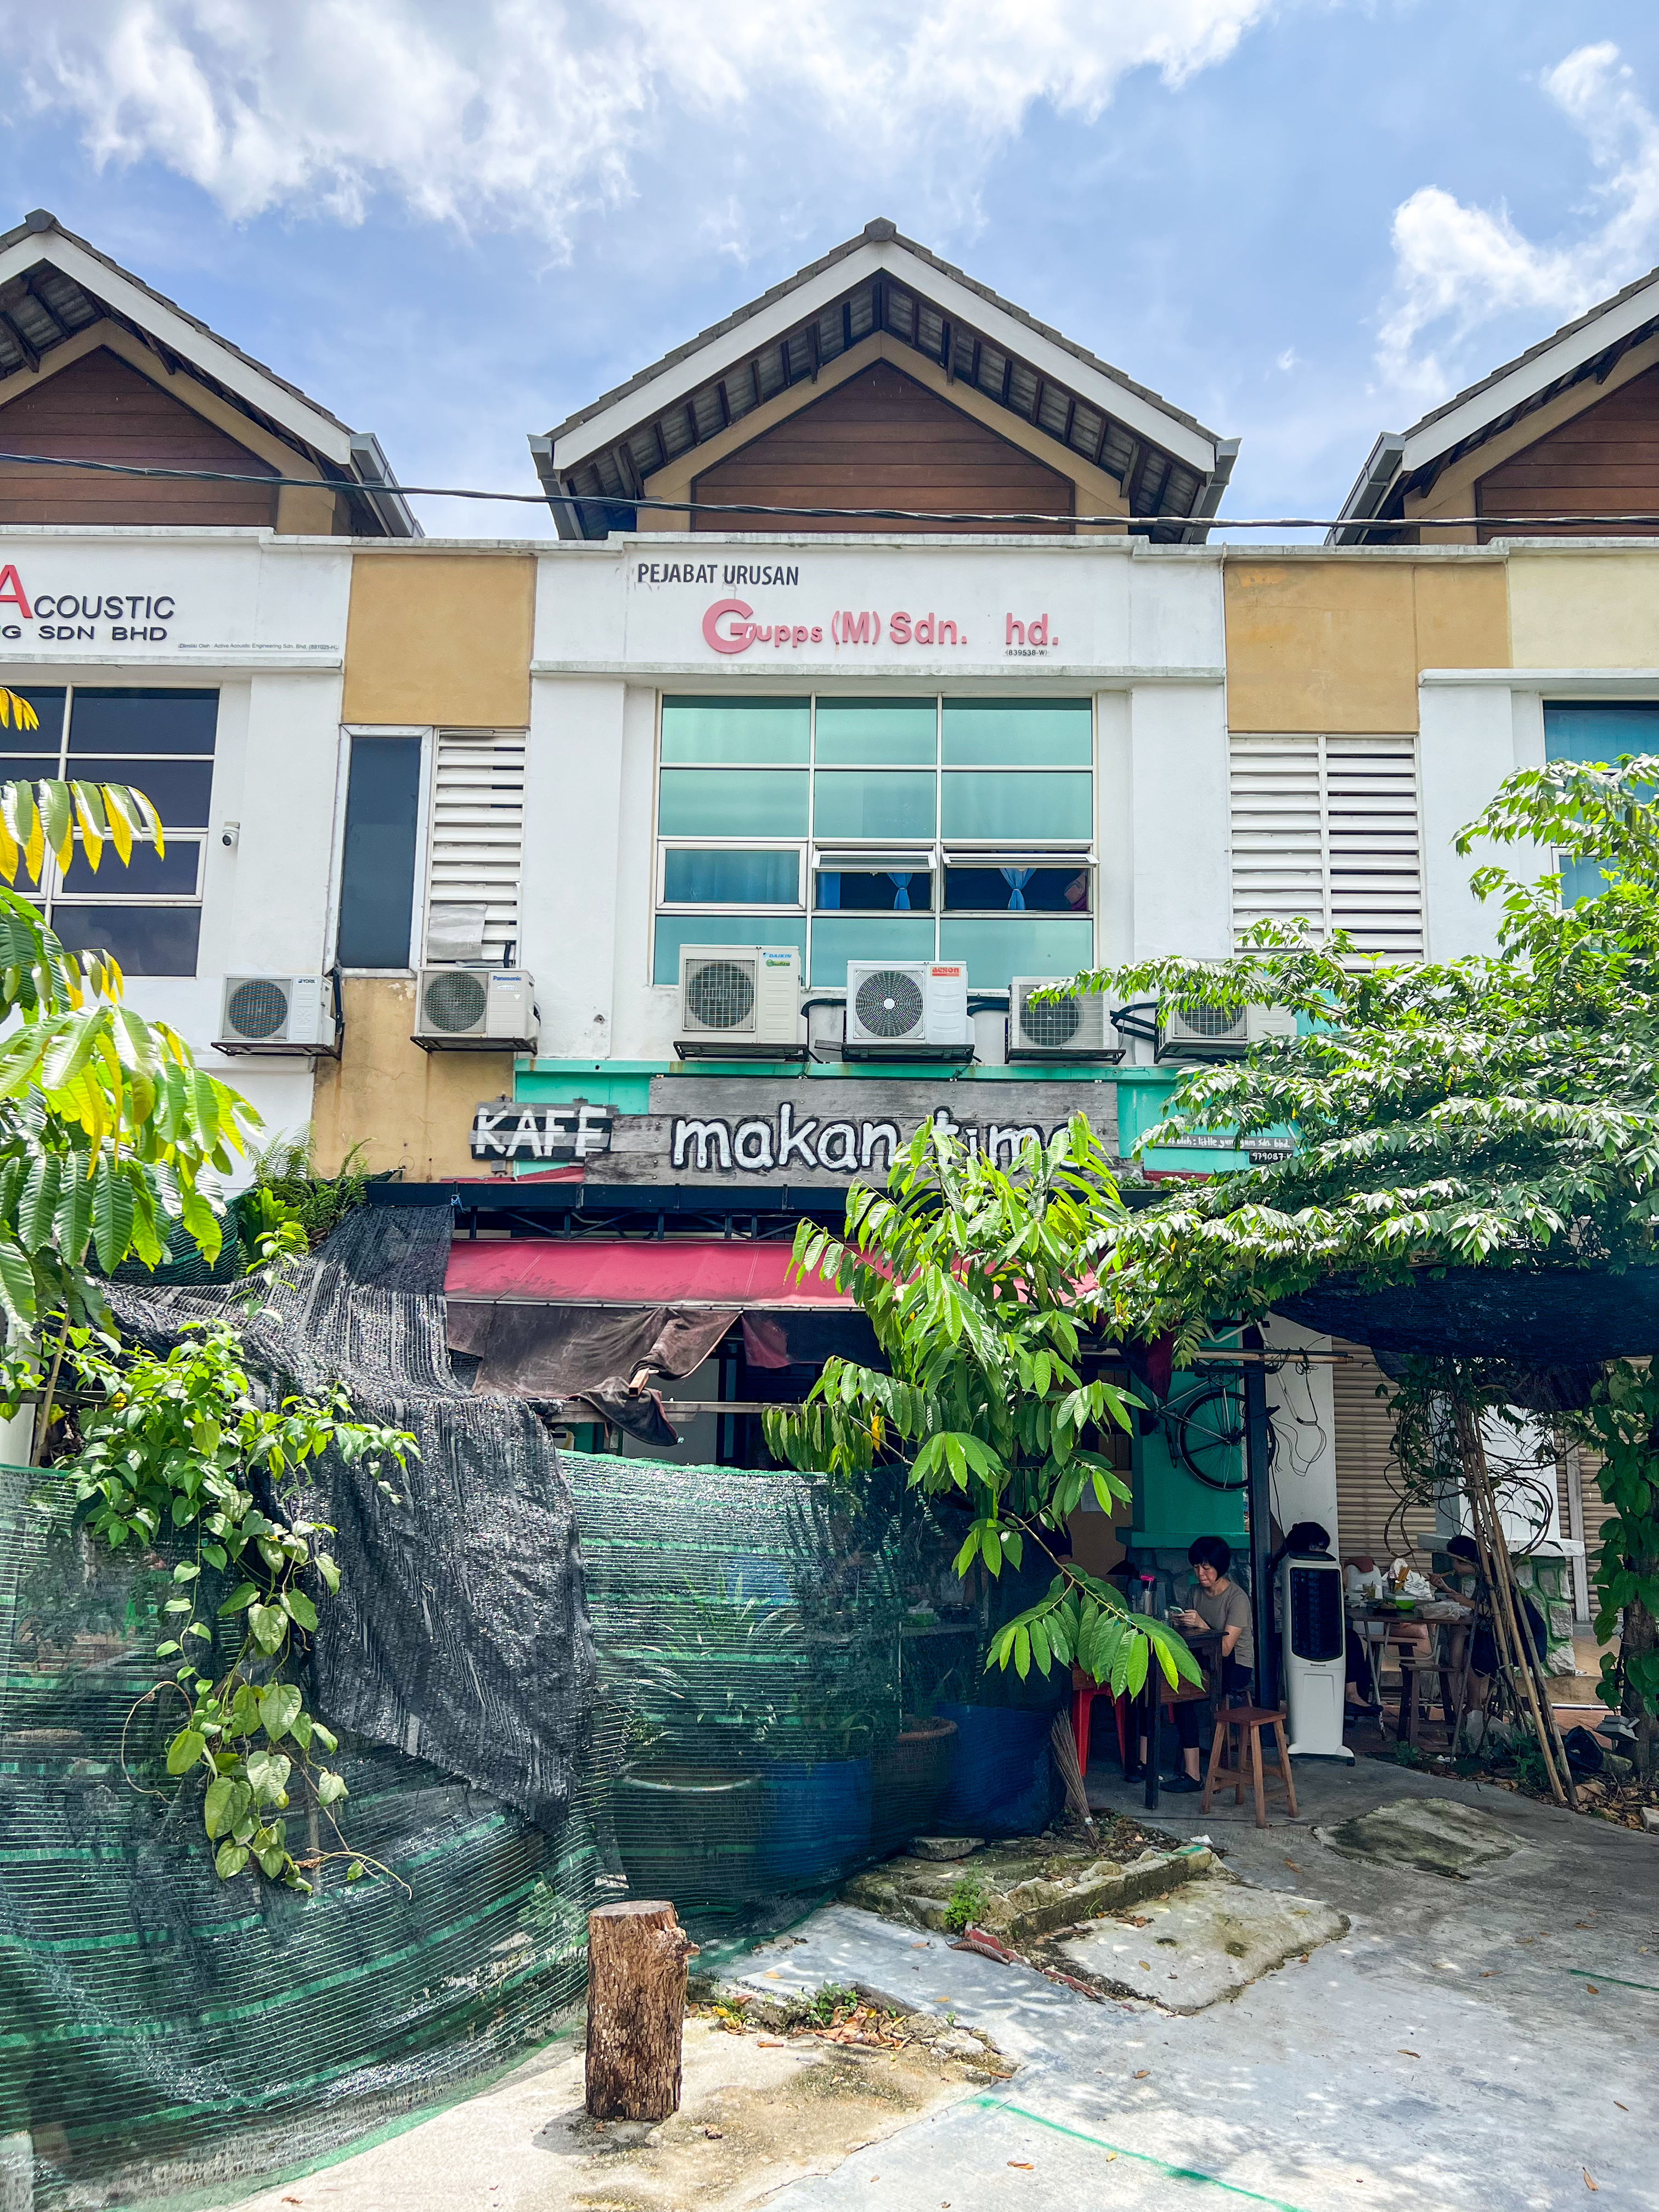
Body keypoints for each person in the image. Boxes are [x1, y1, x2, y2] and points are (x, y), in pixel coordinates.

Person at [1149, 1534, 1255, 1792]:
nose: (1200, 1573)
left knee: (1186, 1697)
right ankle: (1184, 1768)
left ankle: (1193, 1774)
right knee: (1172, 1688)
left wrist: (1201, 1625)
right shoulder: (1195, 1594)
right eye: (1196, 1567)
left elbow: (1227, 1648)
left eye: (1206, 1568)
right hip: (1203, 1660)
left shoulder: (1237, 1599)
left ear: (1220, 1568)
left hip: (1235, 1666)